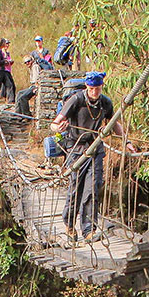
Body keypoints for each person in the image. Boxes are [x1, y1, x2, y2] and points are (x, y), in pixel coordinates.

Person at [46, 72, 135, 241]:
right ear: (87, 86)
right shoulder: (76, 100)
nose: (94, 92)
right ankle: (70, 225)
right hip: (76, 149)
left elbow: (114, 123)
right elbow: (54, 124)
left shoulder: (105, 103)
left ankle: (88, 231)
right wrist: (59, 128)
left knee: (92, 189)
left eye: (98, 88)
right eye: (92, 88)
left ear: (102, 87)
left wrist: (127, 142)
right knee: (75, 189)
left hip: (95, 149)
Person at [15, 37, 55, 114]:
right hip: (32, 86)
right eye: (25, 62)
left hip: (35, 86)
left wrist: (36, 87)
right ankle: (18, 113)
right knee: (19, 93)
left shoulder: (35, 67)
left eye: (28, 61)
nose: (27, 63)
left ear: (32, 60)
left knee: (23, 97)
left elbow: (37, 79)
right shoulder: (31, 67)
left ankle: (26, 114)